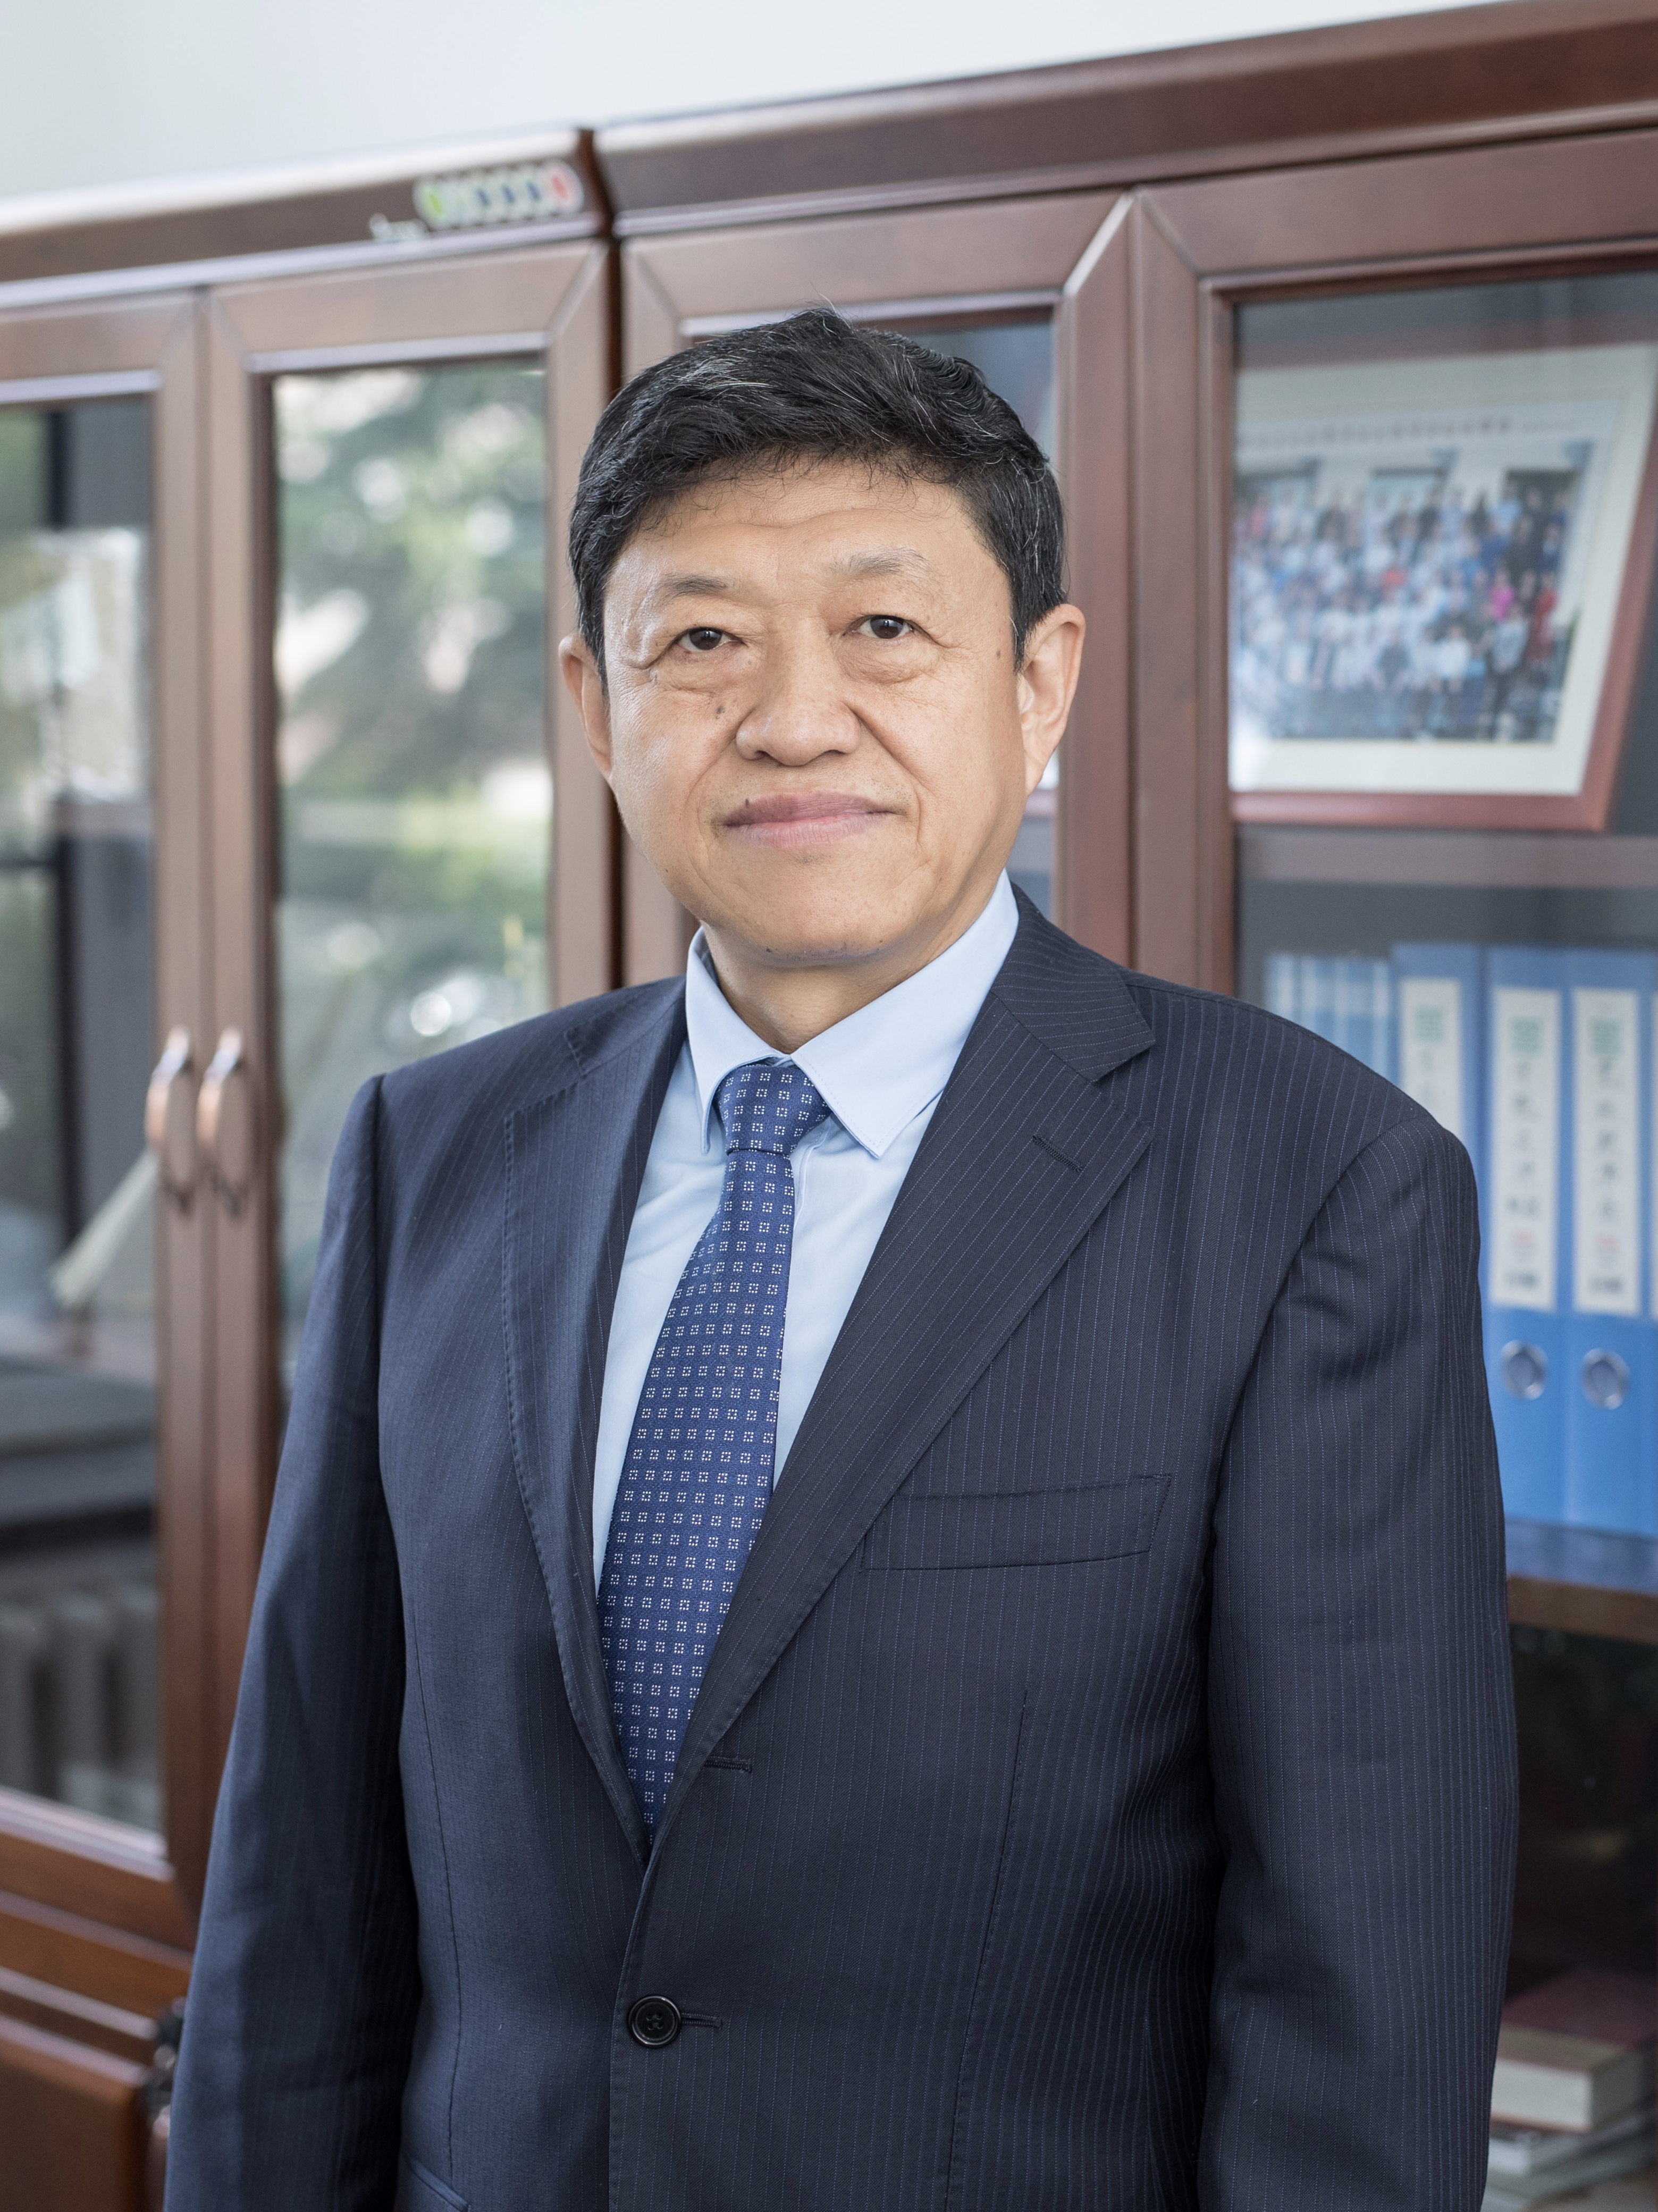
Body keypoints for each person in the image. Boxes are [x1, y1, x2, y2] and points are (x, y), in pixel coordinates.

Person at [166, 309, 1516, 2211]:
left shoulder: (1312, 1187)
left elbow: (1358, 2016)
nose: (793, 718)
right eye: (704, 641)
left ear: (1040, 682)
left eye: (884, 627)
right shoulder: (433, 1150)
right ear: (597, 704)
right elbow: (298, 1890)